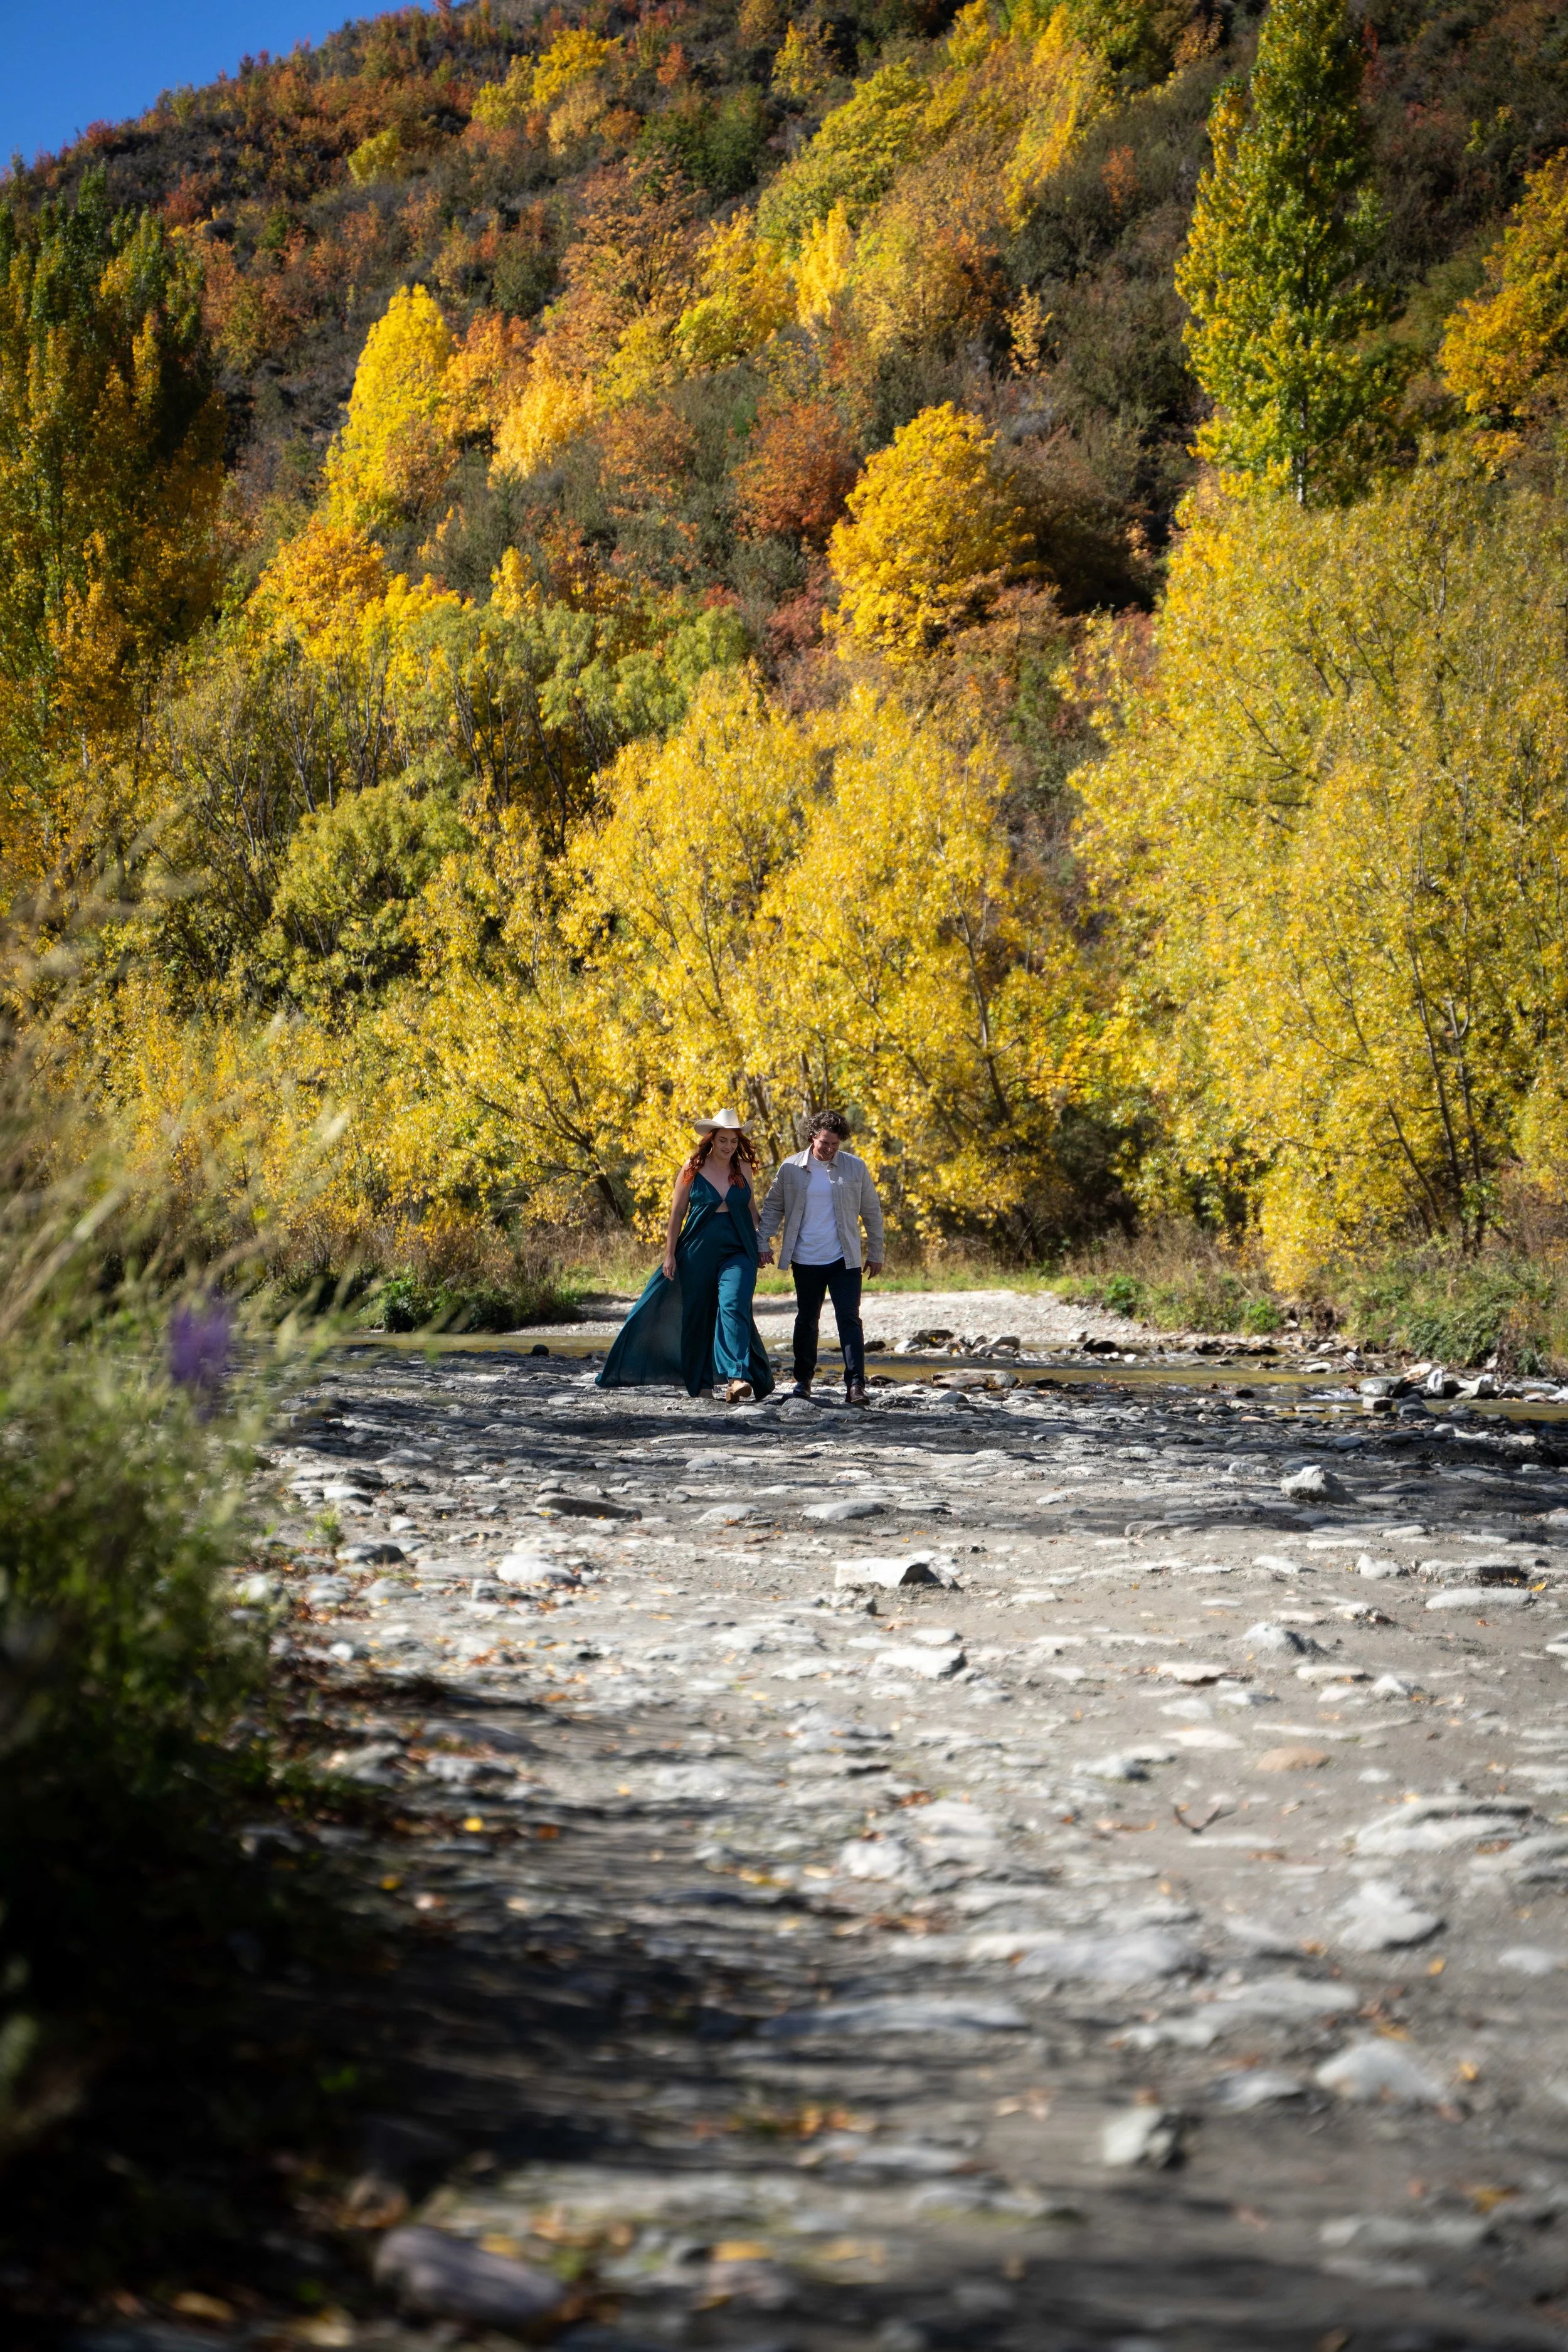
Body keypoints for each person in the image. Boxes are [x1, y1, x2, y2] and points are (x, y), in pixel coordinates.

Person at [596, 1109, 775, 1404]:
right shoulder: (693, 1167)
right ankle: (702, 1384)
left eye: (733, 1140)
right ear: (712, 1140)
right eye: (723, 1140)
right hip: (697, 1251)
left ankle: (737, 1376)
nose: (729, 1146)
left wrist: (763, 1242)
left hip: (738, 1250)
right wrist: (670, 1255)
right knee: (698, 1317)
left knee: (734, 1304)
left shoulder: (743, 1168)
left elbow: (752, 1211)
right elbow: (677, 1213)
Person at [756, 1110, 884, 1407]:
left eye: (835, 1145)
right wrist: (763, 1241)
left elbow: (873, 1213)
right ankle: (803, 1382)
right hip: (805, 1258)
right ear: (813, 1136)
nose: (828, 1149)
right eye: (824, 1142)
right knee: (807, 1320)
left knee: (849, 1319)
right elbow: (773, 1208)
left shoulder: (855, 1168)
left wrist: (876, 1252)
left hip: (844, 1258)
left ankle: (856, 1386)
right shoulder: (790, 1168)